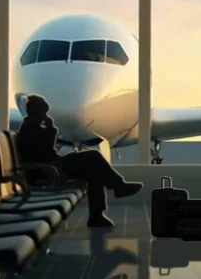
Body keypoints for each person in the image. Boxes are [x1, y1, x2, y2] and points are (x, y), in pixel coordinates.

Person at [16, 95, 143, 228]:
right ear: (38, 112)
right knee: (93, 158)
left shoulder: (30, 126)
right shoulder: (31, 129)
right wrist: (50, 128)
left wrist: (49, 129)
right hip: (48, 171)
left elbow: (45, 152)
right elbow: (46, 151)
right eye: (43, 113)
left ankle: (102, 210)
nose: (45, 115)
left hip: (51, 166)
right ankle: (115, 191)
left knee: (94, 167)